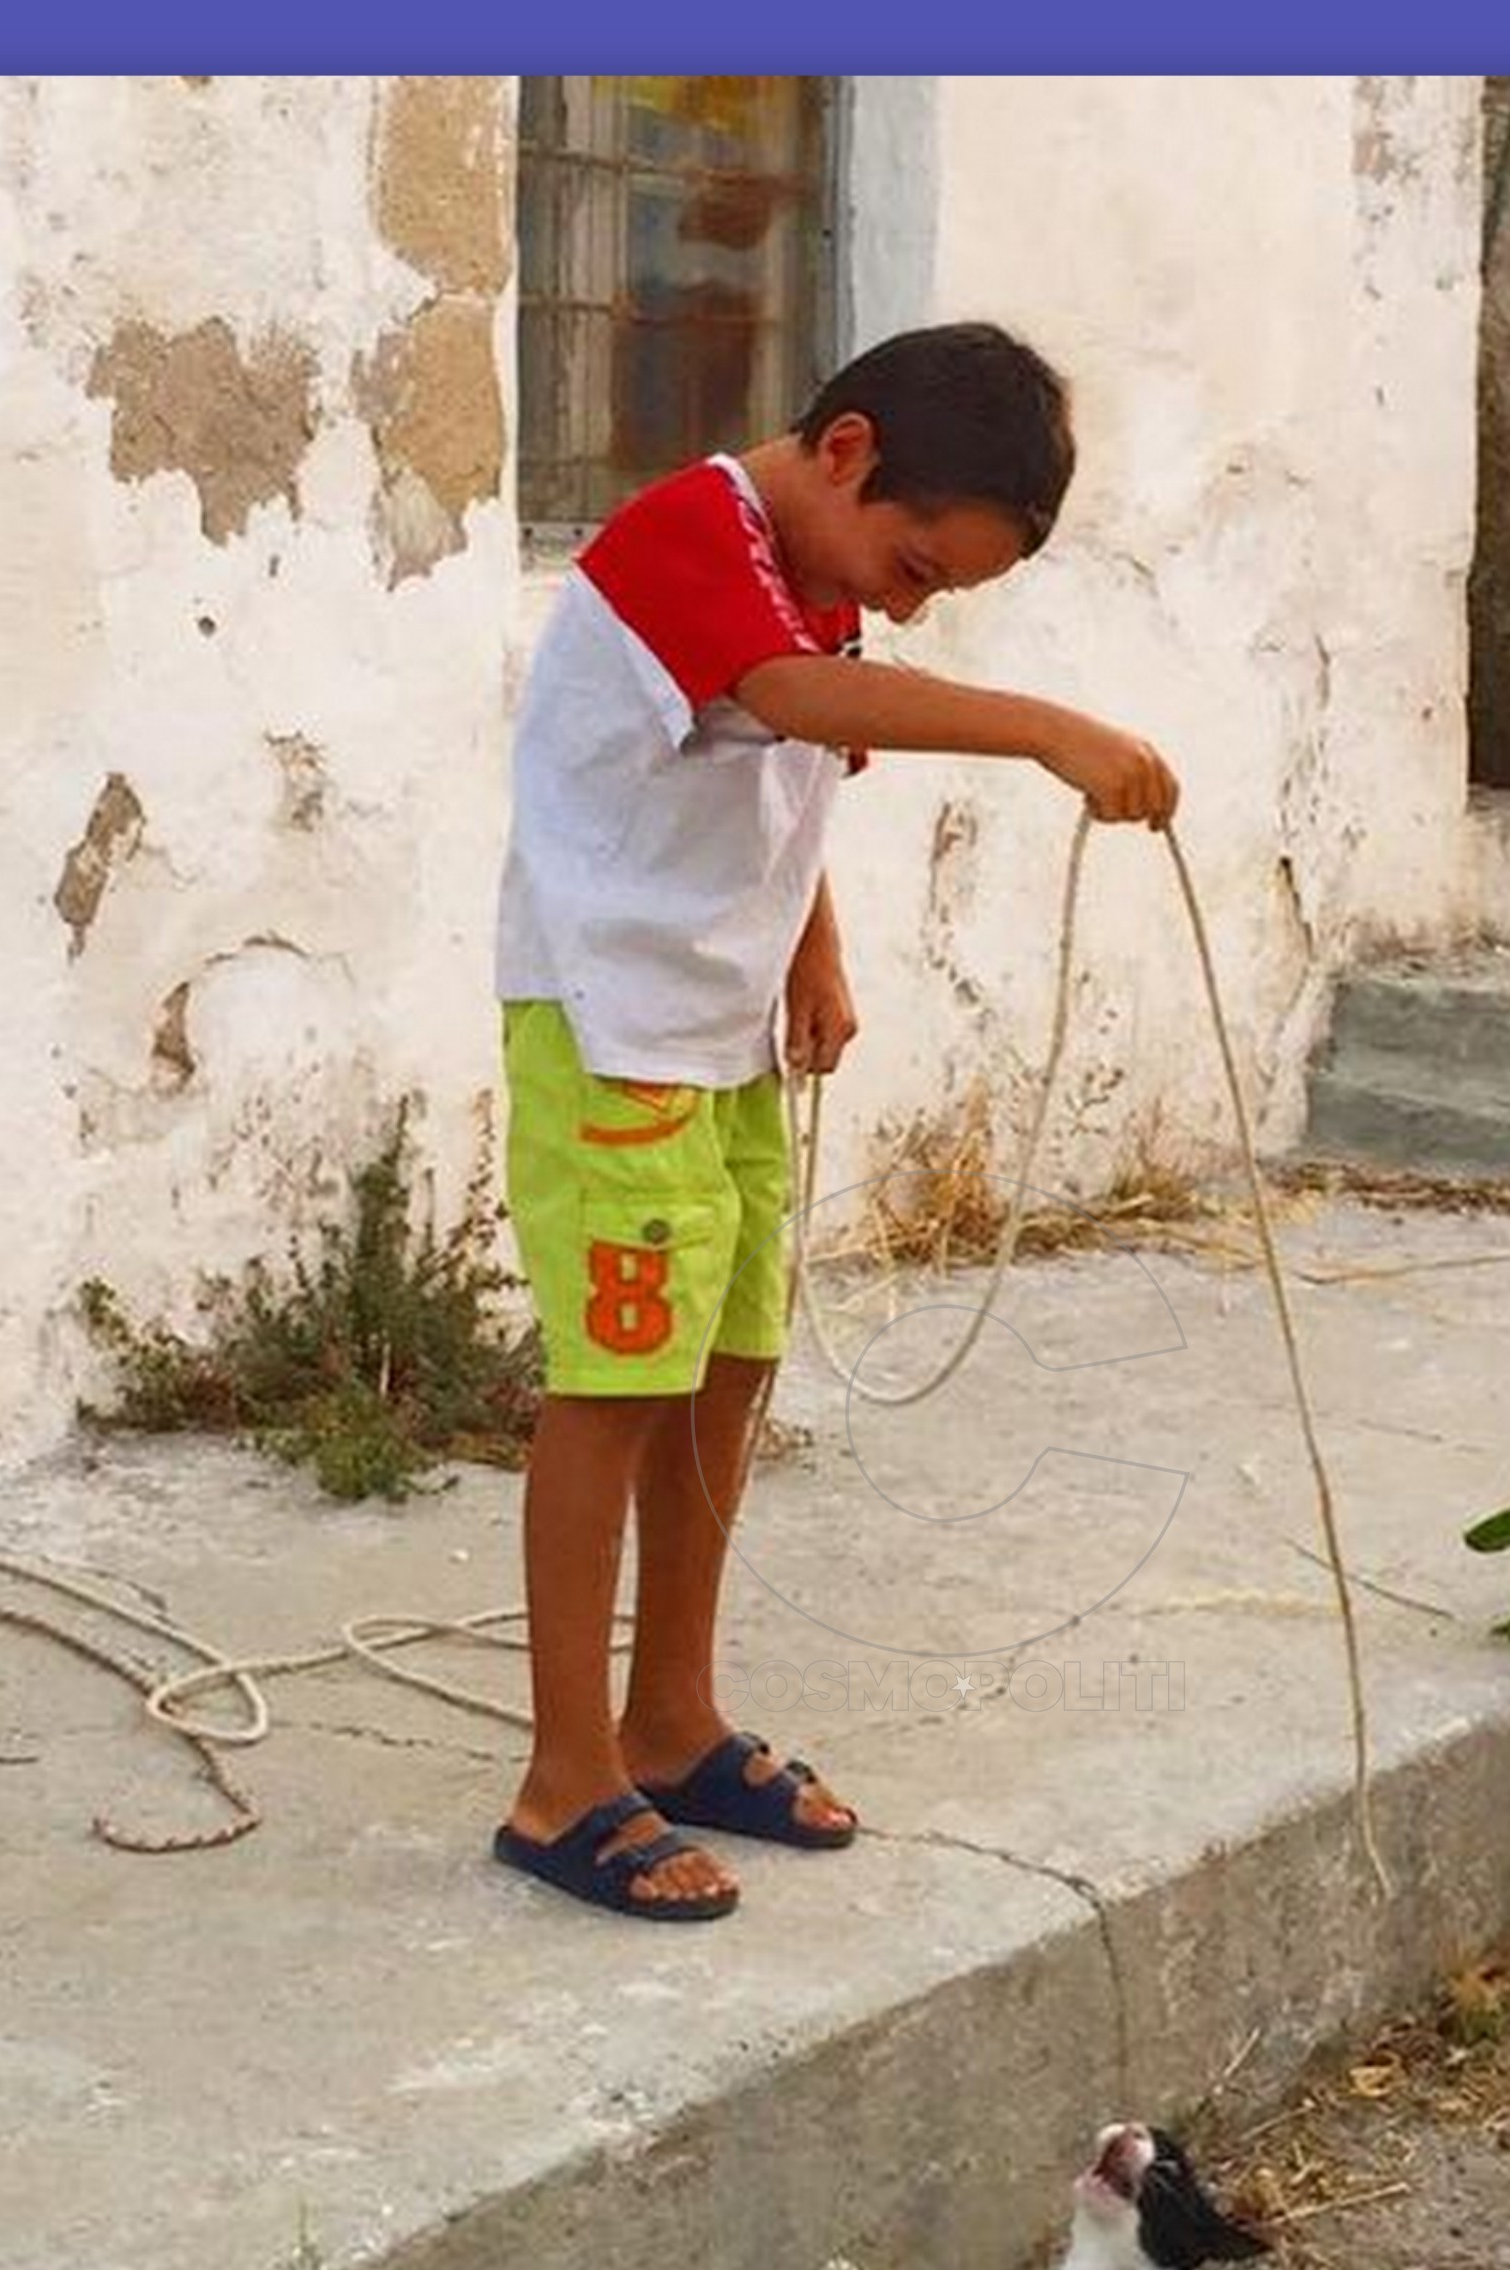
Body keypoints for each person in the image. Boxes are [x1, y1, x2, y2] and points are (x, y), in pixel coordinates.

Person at [486, 321, 1179, 1920]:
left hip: (717, 1040)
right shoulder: (685, 534)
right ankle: (562, 1778)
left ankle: (671, 1719)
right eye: (918, 568)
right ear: (850, 450)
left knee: (727, 1367)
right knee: (614, 1383)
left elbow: (778, 780)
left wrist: (817, 948)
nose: (908, 605)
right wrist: (1044, 727)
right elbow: (788, 701)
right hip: (610, 1036)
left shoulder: (824, 580)